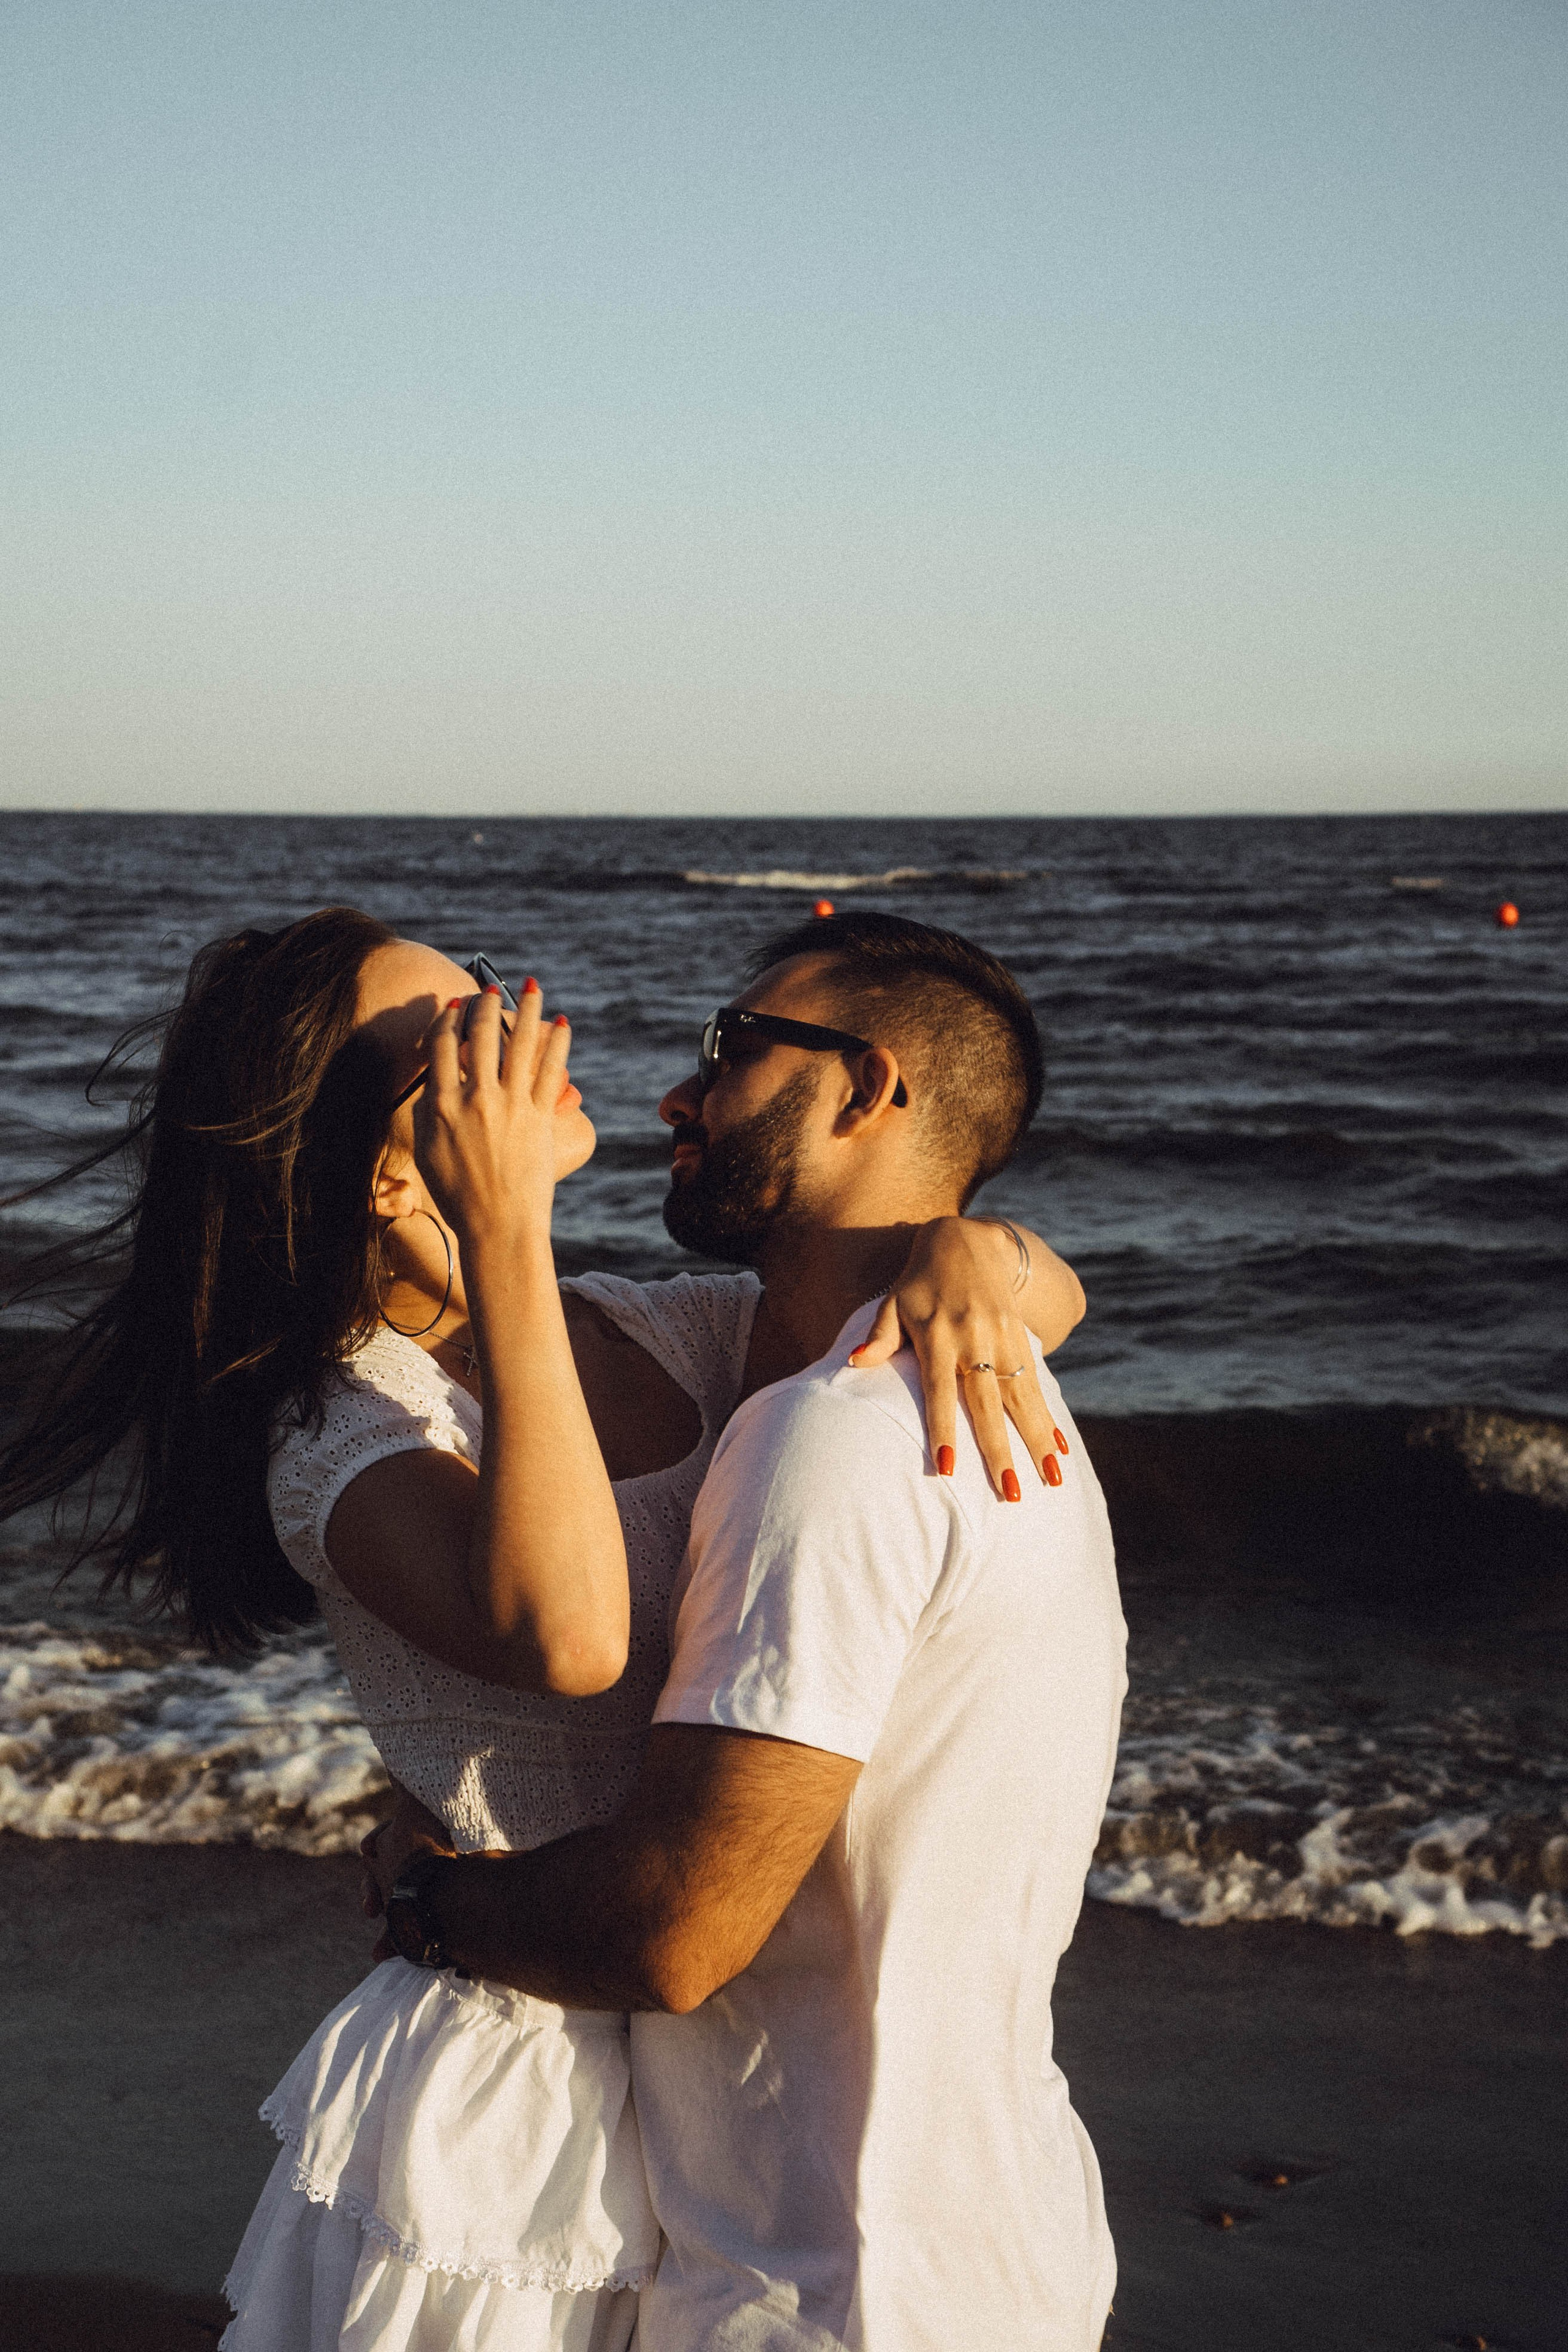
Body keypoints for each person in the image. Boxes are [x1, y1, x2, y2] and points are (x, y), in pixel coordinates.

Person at [0, 906, 1086, 2352]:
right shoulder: (342, 1421)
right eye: (462, 1039)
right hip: (515, 2088)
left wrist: (982, 1257)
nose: (527, 1029)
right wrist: (506, 1231)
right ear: (390, 1165)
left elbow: (914, 1316)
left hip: (717, 2089)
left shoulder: (669, 1330)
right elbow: (566, 1635)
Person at [366, 909, 1128, 2351]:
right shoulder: (989, 1381)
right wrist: (994, 1251)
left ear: (865, 1086)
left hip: (830, 2287)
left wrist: (429, 1901)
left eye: (728, 1050)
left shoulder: (828, 1439)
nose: (675, 1093)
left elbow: (674, 1933)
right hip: (984, 2237)